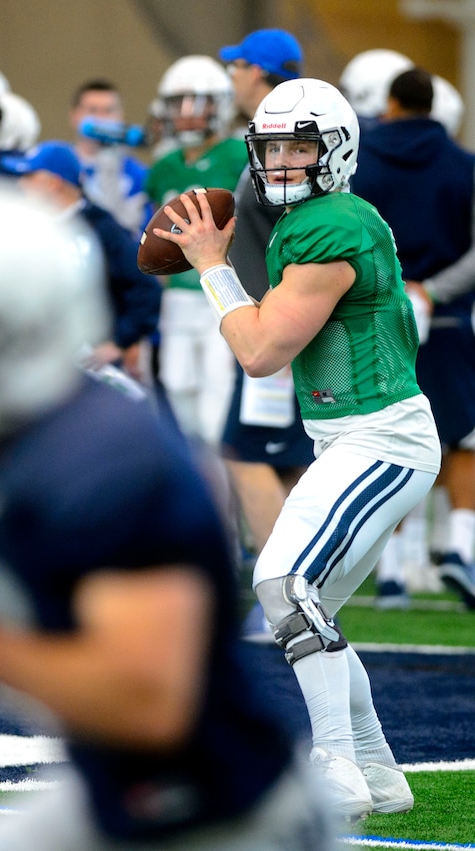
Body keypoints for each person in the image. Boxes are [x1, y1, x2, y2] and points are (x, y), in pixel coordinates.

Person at [0, 177, 340, 850]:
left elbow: (148, 702)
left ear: (26, 320)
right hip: (130, 792)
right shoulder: (20, 440)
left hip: (227, 815)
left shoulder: (103, 463)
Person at [154, 77, 440, 819]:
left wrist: (211, 266)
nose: (282, 161)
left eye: (300, 146)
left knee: (282, 584)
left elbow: (260, 351)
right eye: (272, 146)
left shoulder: (332, 223)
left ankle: (335, 764)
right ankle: (378, 768)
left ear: (335, 151)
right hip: (358, 438)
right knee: (307, 609)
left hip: (381, 438)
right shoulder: (316, 217)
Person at [351, 67, 475, 609]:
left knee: (391, 438)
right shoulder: (464, 165)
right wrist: (434, 289)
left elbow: (348, 231)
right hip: (448, 315)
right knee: (463, 438)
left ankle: (393, 572)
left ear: (392, 103)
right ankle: (461, 549)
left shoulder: (362, 158)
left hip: (378, 313)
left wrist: (394, 285)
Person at [218, 31, 314, 624]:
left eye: (238, 67)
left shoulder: (282, 140)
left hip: (276, 320)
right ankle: (299, 589)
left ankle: (284, 596)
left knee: (245, 453)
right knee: (285, 459)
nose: (231, 78)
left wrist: (212, 262)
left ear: (260, 72)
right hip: (283, 317)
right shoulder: (283, 134)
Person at [145, 55, 246, 445]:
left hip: (223, 291)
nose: (187, 116)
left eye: (198, 105)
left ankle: (223, 502)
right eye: (178, 106)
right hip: (178, 298)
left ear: (219, 106)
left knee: (215, 412)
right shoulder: (164, 166)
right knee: (179, 400)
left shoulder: (239, 156)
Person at [1, 140, 161, 381]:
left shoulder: (100, 228)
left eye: (28, 176)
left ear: (52, 183)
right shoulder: (29, 229)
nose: (20, 185)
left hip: (90, 365)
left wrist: (120, 340)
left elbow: (145, 287)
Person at [69, 78, 152, 239]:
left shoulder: (140, 176)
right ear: (74, 116)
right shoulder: (58, 165)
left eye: (109, 110)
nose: (101, 118)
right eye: (92, 110)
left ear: (120, 116)